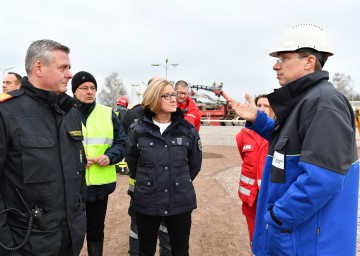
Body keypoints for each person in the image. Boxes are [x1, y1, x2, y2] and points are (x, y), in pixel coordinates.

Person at [231, 24, 359, 255]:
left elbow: (323, 179)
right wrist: (259, 121)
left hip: (306, 241)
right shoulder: (307, 100)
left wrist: (278, 217)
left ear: (309, 61)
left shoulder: (324, 103)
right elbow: (291, 144)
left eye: (283, 58)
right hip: (296, 236)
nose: (275, 65)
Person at [0, 39, 86, 255]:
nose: (69, 74)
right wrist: (7, 246)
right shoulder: (7, 112)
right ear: (39, 67)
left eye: (69, 68)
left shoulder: (71, 112)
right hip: (27, 242)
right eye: (63, 67)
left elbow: (78, 175)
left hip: (69, 238)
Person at [125, 78, 202, 256]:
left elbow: (194, 165)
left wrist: (178, 180)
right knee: (146, 250)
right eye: (166, 95)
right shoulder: (138, 130)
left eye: (173, 94)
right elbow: (133, 164)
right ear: (153, 99)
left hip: (179, 201)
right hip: (147, 201)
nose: (173, 99)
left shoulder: (187, 130)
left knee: (180, 250)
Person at [71, 71, 126, 256]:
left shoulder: (108, 113)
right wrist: (78, 160)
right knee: (72, 230)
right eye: (84, 88)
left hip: (100, 186)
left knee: (96, 230)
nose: (89, 91)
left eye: (93, 88)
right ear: (74, 91)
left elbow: (121, 142)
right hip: (73, 184)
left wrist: (110, 156)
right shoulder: (65, 114)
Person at [122, 77, 173, 256]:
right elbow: (130, 155)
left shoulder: (172, 116)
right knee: (138, 228)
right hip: (140, 188)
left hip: (168, 190)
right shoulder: (132, 114)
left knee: (167, 231)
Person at [235, 94, 274, 246]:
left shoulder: (277, 134)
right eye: (259, 105)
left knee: (272, 239)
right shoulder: (242, 136)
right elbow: (244, 159)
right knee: (254, 239)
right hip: (251, 199)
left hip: (271, 198)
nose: (262, 109)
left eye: (266, 106)